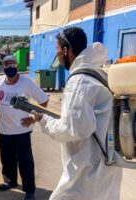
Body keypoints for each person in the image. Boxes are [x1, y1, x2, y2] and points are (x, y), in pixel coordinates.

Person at [32, 27, 123, 200]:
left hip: (87, 173)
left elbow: (74, 129)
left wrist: (45, 121)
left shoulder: (79, 81)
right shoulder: (98, 74)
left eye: (57, 49)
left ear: (66, 50)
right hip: (106, 167)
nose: (57, 55)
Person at [0, 55, 49, 200]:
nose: (10, 68)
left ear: (17, 65)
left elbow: (44, 101)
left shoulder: (26, 82)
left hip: (22, 130)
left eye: (12, 65)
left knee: (25, 162)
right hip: (4, 130)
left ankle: (29, 190)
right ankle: (11, 182)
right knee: (7, 159)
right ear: (2, 67)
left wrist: (34, 118)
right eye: (6, 65)